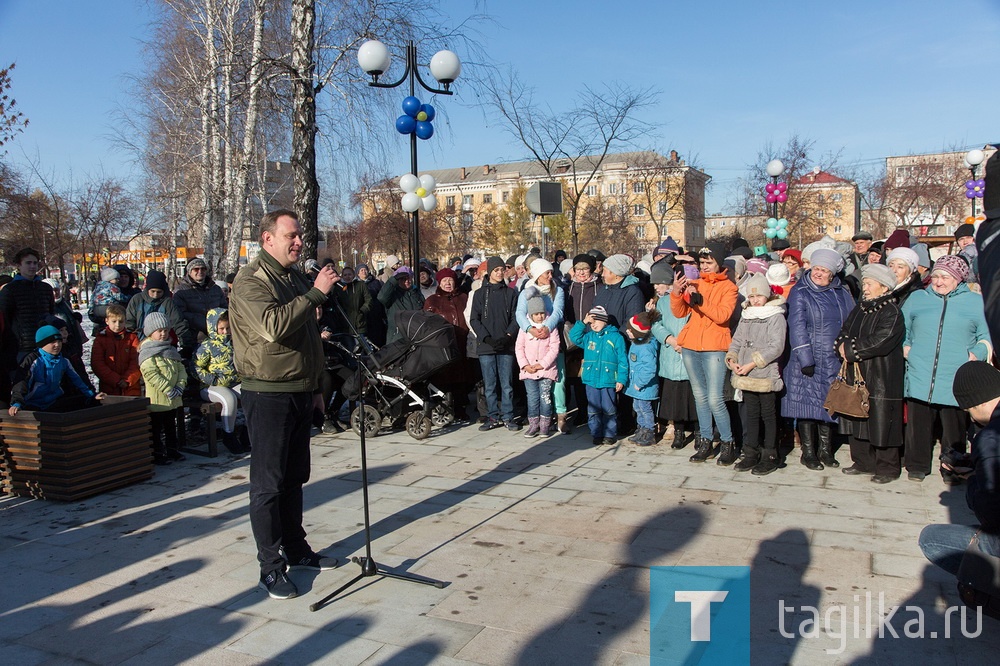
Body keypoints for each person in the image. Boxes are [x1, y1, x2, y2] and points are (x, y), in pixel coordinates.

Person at [229, 210, 340, 600]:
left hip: (298, 388)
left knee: (295, 476)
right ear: (267, 239)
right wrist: (315, 293)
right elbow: (273, 326)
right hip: (268, 391)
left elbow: (307, 333)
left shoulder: (292, 276)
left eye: (299, 237)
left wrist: (315, 387)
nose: (298, 243)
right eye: (290, 236)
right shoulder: (251, 281)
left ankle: (297, 549)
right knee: (269, 484)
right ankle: (270, 567)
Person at [901, 254, 991, 483]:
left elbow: (986, 336)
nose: (939, 281)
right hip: (921, 370)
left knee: (954, 427)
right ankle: (916, 465)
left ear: (959, 279)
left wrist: (977, 353)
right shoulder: (917, 298)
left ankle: (952, 466)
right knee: (918, 423)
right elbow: (901, 329)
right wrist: (906, 347)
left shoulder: (974, 302)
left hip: (956, 373)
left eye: (946, 277)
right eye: (936, 276)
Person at [918, 361, 1000, 580]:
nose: (971, 418)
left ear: (978, 402)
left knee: (931, 539)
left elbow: (991, 512)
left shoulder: (991, 437)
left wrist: (972, 479)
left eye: (969, 410)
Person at [783, 248, 855, 471]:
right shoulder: (801, 292)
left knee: (828, 405)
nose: (818, 273)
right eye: (816, 269)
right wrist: (805, 357)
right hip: (807, 359)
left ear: (832, 274)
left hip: (833, 359)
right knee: (806, 405)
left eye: (824, 270)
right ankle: (808, 451)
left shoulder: (842, 293)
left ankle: (825, 450)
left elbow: (851, 322)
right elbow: (797, 325)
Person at [834, 264, 906, 483]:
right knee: (857, 415)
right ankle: (863, 461)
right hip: (858, 372)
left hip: (882, 374)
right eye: (864, 283)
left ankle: (887, 468)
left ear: (883, 287)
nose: (865, 287)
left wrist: (850, 349)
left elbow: (882, 340)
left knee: (883, 421)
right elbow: (844, 332)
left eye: (869, 284)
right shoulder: (860, 308)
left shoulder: (891, 311)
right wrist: (840, 345)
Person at [670, 243, 739, 464]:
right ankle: (705, 441)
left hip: (714, 347)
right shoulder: (695, 282)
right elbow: (680, 312)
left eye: (709, 263)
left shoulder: (729, 287)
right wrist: (676, 292)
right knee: (699, 397)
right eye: (702, 263)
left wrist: (700, 299)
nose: (705, 267)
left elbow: (723, 315)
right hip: (691, 345)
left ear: (719, 263)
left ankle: (728, 442)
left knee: (715, 398)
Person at [727, 274, 787, 475]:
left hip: (764, 373)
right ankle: (751, 451)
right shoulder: (747, 315)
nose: (755, 301)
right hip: (745, 373)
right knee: (751, 413)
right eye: (752, 297)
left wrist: (753, 363)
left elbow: (776, 346)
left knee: (768, 414)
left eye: (759, 296)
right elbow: (737, 341)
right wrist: (732, 360)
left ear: (767, 295)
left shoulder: (775, 315)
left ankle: (770, 453)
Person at [650, 260, 697, 449]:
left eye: (660, 283)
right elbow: (655, 324)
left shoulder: (692, 300)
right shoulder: (662, 302)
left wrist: (685, 341)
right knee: (673, 398)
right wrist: (669, 339)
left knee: (693, 396)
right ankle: (678, 431)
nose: (657, 287)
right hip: (670, 354)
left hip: (689, 353)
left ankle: (698, 431)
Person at [470, 256, 519, 431]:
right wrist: (486, 338)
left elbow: (516, 317)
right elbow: (474, 319)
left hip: (505, 344)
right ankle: (492, 416)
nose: (499, 273)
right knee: (489, 385)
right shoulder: (480, 294)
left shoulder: (511, 293)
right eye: (496, 270)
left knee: (506, 384)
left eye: (501, 270)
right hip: (487, 346)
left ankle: (508, 416)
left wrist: (508, 335)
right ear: (489, 272)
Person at [8, 324, 103, 415]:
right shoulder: (32, 360)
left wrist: (92, 395)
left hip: (53, 401)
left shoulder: (64, 359)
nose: (57, 345)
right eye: (52, 342)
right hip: (32, 403)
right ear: (42, 344)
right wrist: (17, 402)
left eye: (59, 341)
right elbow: (21, 382)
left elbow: (78, 379)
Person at [570, 305, 627, 447]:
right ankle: (596, 433)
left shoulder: (616, 337)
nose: (593, 324)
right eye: (591, 322)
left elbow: (622, 360)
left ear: (605, 321)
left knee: (609, 408)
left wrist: (621, 379)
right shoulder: (589, 337)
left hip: (608, 379)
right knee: (593, 408)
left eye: (596, 321)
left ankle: (609, 434)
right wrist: (583, 322)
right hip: (591, 379)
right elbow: (574, 337)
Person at [194, 308, 246, 454]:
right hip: (211, 386)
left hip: (233, 382)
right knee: (229, 399)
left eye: (227, 328)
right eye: (221, 328)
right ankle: (228, 435)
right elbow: (196, 367)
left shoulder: (234, 342)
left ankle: (248, 433)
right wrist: (212, 379)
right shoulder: (206, 346)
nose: (225, 332)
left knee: (252, 394)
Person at [423, 267, 473, 421]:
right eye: (444, 281)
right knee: (444, 377)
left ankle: (460, 408)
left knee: (462, 377)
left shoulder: (464, 297)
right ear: (439, 282)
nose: (448, 283)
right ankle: (442, 408)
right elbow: (427, 322)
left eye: (450, 280)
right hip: (442, 345)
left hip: (462, 342)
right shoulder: (432, 300)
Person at [139, 312, 187, 466]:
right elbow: (151, 373)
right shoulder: (147, 352)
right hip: (158, 399)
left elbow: (180, 369)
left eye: (166, 330)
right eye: (159, 331)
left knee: (170, 425)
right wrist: (167, 388)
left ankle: (172, 449)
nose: (163, 334)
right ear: (150, 332)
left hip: (173, 397)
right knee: (156, 427)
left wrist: (180, 385)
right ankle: (158, 452)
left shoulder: (170, 349)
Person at [0, 247, 55, 373]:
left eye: (35, 263)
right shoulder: (9, 290)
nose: (32, 266)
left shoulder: (45, 288)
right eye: (28, 263)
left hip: (45, 344)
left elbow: (51, 313)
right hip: (21, 348)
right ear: (19, 265)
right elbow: (4, 320)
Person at [515, 296, 560, 437]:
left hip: (546, 370)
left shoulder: (550, 328)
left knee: (545, 397)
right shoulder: (525, 328)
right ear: (530, 315)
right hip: (529, 370)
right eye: (536, 314)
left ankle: (545, 425)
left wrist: (543, 364)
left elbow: (554, 348)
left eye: (541, 313)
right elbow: (519, 348)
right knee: (532, 397)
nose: (539, 316)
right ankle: (533, 425)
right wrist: (525, 365)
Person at [173, 257, 227, 360]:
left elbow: (224, 309)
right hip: (195, 337)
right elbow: (180, 315)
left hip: (218, 334)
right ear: (189, 272)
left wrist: (220, 323)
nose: (200, 272)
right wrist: (204, 322)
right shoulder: (181, 291)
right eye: (196, 269)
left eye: (203, 269)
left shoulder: (215, 289)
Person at [624, 310, 661, 446]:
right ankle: (641, 428)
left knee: (645, 408)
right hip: (636, 386)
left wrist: (639, 383)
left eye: (630, 330)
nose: (627, 331)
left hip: (644, 387)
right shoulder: (636, 343)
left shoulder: (646, 347)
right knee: (637, 407)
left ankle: (649, 431)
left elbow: (650, 369)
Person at [91, 303, 142, 396]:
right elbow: (97, 363)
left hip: (130, 387)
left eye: (121, 321)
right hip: (109, 387)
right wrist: (116, 380)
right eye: (114, 321)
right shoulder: (101, 339)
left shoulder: (132, 338)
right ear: (107, 321)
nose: (118, 325)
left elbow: (136, 361)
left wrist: (127, 379)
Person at [125, 269, 188, 343]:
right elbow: (129, 322)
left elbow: (178, 323)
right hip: (139, 341)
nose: (155, 295)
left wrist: (185, 342)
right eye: (153, 291)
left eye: (159, 292)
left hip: (162, 342)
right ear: (147, 289)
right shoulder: (137, 299)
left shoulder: (167, 302)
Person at [378, 266, 424, 345]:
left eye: (408, 278)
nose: (407, 281)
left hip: (416, 336)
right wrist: (393, 280)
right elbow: (381, 297)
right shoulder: (392, 295)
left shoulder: (415, 292)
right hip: (397, 338)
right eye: (403, 279)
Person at [89, 267, 130, 332]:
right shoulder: (111, 286)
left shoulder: (98, 286)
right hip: (107, 307)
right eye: (116, 279)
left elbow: (92, 298)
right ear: (110, 279)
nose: (118, 280)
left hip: (96, 308)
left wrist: (91, 309)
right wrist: (128, 298)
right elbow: (119, 296)